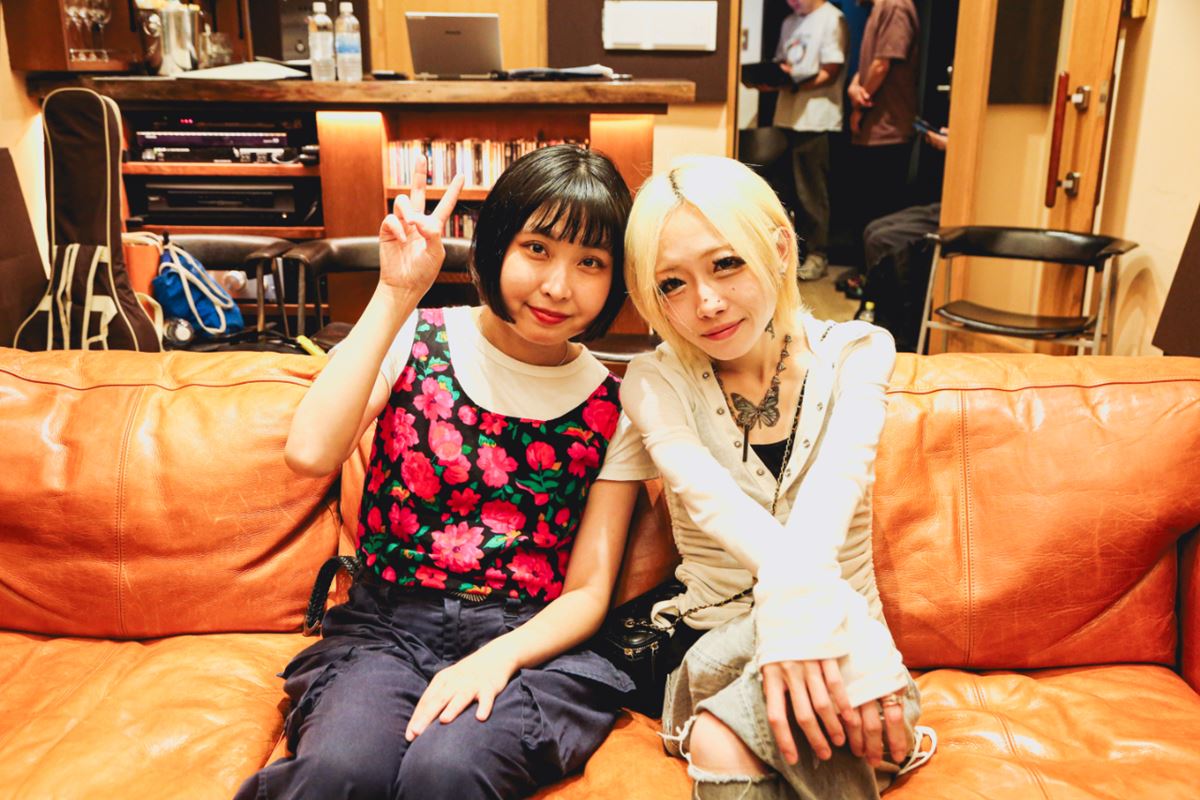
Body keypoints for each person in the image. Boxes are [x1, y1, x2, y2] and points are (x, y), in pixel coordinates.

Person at [235, 145, 657, 799]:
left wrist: (495, 659)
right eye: (537, 248)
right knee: (339, 770)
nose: (558, 286)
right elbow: (310, 452)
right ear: (496, 244)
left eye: (590, 263)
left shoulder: (614, 406)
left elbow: (586, 593)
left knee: (447, 772)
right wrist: (396, 293)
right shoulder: (416, 336)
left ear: (616, 280)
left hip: (528, 642)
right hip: (385, 626)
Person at [620, 155, 934, 799]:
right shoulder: (655, 381)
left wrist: (815, 628)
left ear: (780, 249)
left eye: (726, 263)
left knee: (742, 737)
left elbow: (835, 489)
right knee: (728, 732)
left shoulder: (857, 351)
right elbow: (714, 505)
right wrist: (814, 627)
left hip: (847, 644)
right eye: (672, 284)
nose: (707, 303)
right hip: (719, 648)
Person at [758, 0, 849, 282]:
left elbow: (831, 70)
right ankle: (786, 253)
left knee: (811, 191)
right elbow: (782, 64)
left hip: (816, 118)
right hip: (785, 116)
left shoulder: (833, 18)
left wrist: (794, 82)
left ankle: (817, 254)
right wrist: (773, 79)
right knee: (783, 190)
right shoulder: (789, 22)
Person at [847, 0, 920, 261]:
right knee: (866, 210)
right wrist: (854, 87)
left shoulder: (895, 6)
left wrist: (859, 106)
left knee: (882, 217)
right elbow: (868, 65)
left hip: (889, 128)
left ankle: (879, 279)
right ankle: (866, 275)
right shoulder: (876, 8)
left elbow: (882, 65)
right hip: (874, 128)